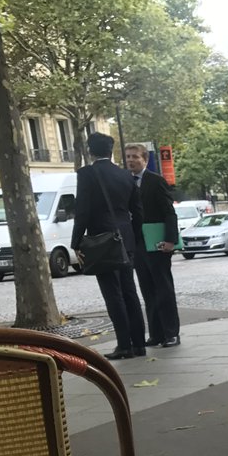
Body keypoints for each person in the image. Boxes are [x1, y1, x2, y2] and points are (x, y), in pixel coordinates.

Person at [71, 132, 146, 360]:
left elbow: (82, 210)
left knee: (113, 294)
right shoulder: (125, 175)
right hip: (125, 237)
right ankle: (139, 344)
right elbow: (137, 210)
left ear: (90, 151)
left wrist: (76, 241)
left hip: (102, 240)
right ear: (111, 150)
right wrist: (134, 236)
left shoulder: (87, 174)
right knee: (129, 291)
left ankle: (124, 345)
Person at [125, 143, 181, 348]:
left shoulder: (156, 181)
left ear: (145, 160)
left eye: (135, 157)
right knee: (147, 289)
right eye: (128, 157)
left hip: (157, 242)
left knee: (163, 288)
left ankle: (171, 333)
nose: (130, 160)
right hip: (138, 243)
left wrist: (170, 240)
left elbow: (169, 212)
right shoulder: (126, 182)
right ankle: (156, 333)